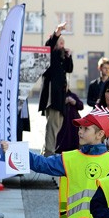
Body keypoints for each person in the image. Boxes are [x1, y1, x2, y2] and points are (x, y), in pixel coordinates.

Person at [39, 22, 74, 156]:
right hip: (51, 96)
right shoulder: (50, 56)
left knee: (57, 125)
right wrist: (57, 32)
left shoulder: (61, 58)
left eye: (63, 43)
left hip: (60, 97)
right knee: (52, 125)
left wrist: (69, 56)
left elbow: (70, 69)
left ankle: (46, 149)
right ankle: (49, 153)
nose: (62, 46)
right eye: (60, 43)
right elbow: (49, 45)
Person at [55, 89, 84, 154]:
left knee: (74, 138)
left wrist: (75, 102)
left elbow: (81, 106)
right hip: (62, 121)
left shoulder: (72, 95)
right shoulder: (57, 95)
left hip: (74, 122)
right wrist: (63, 102)